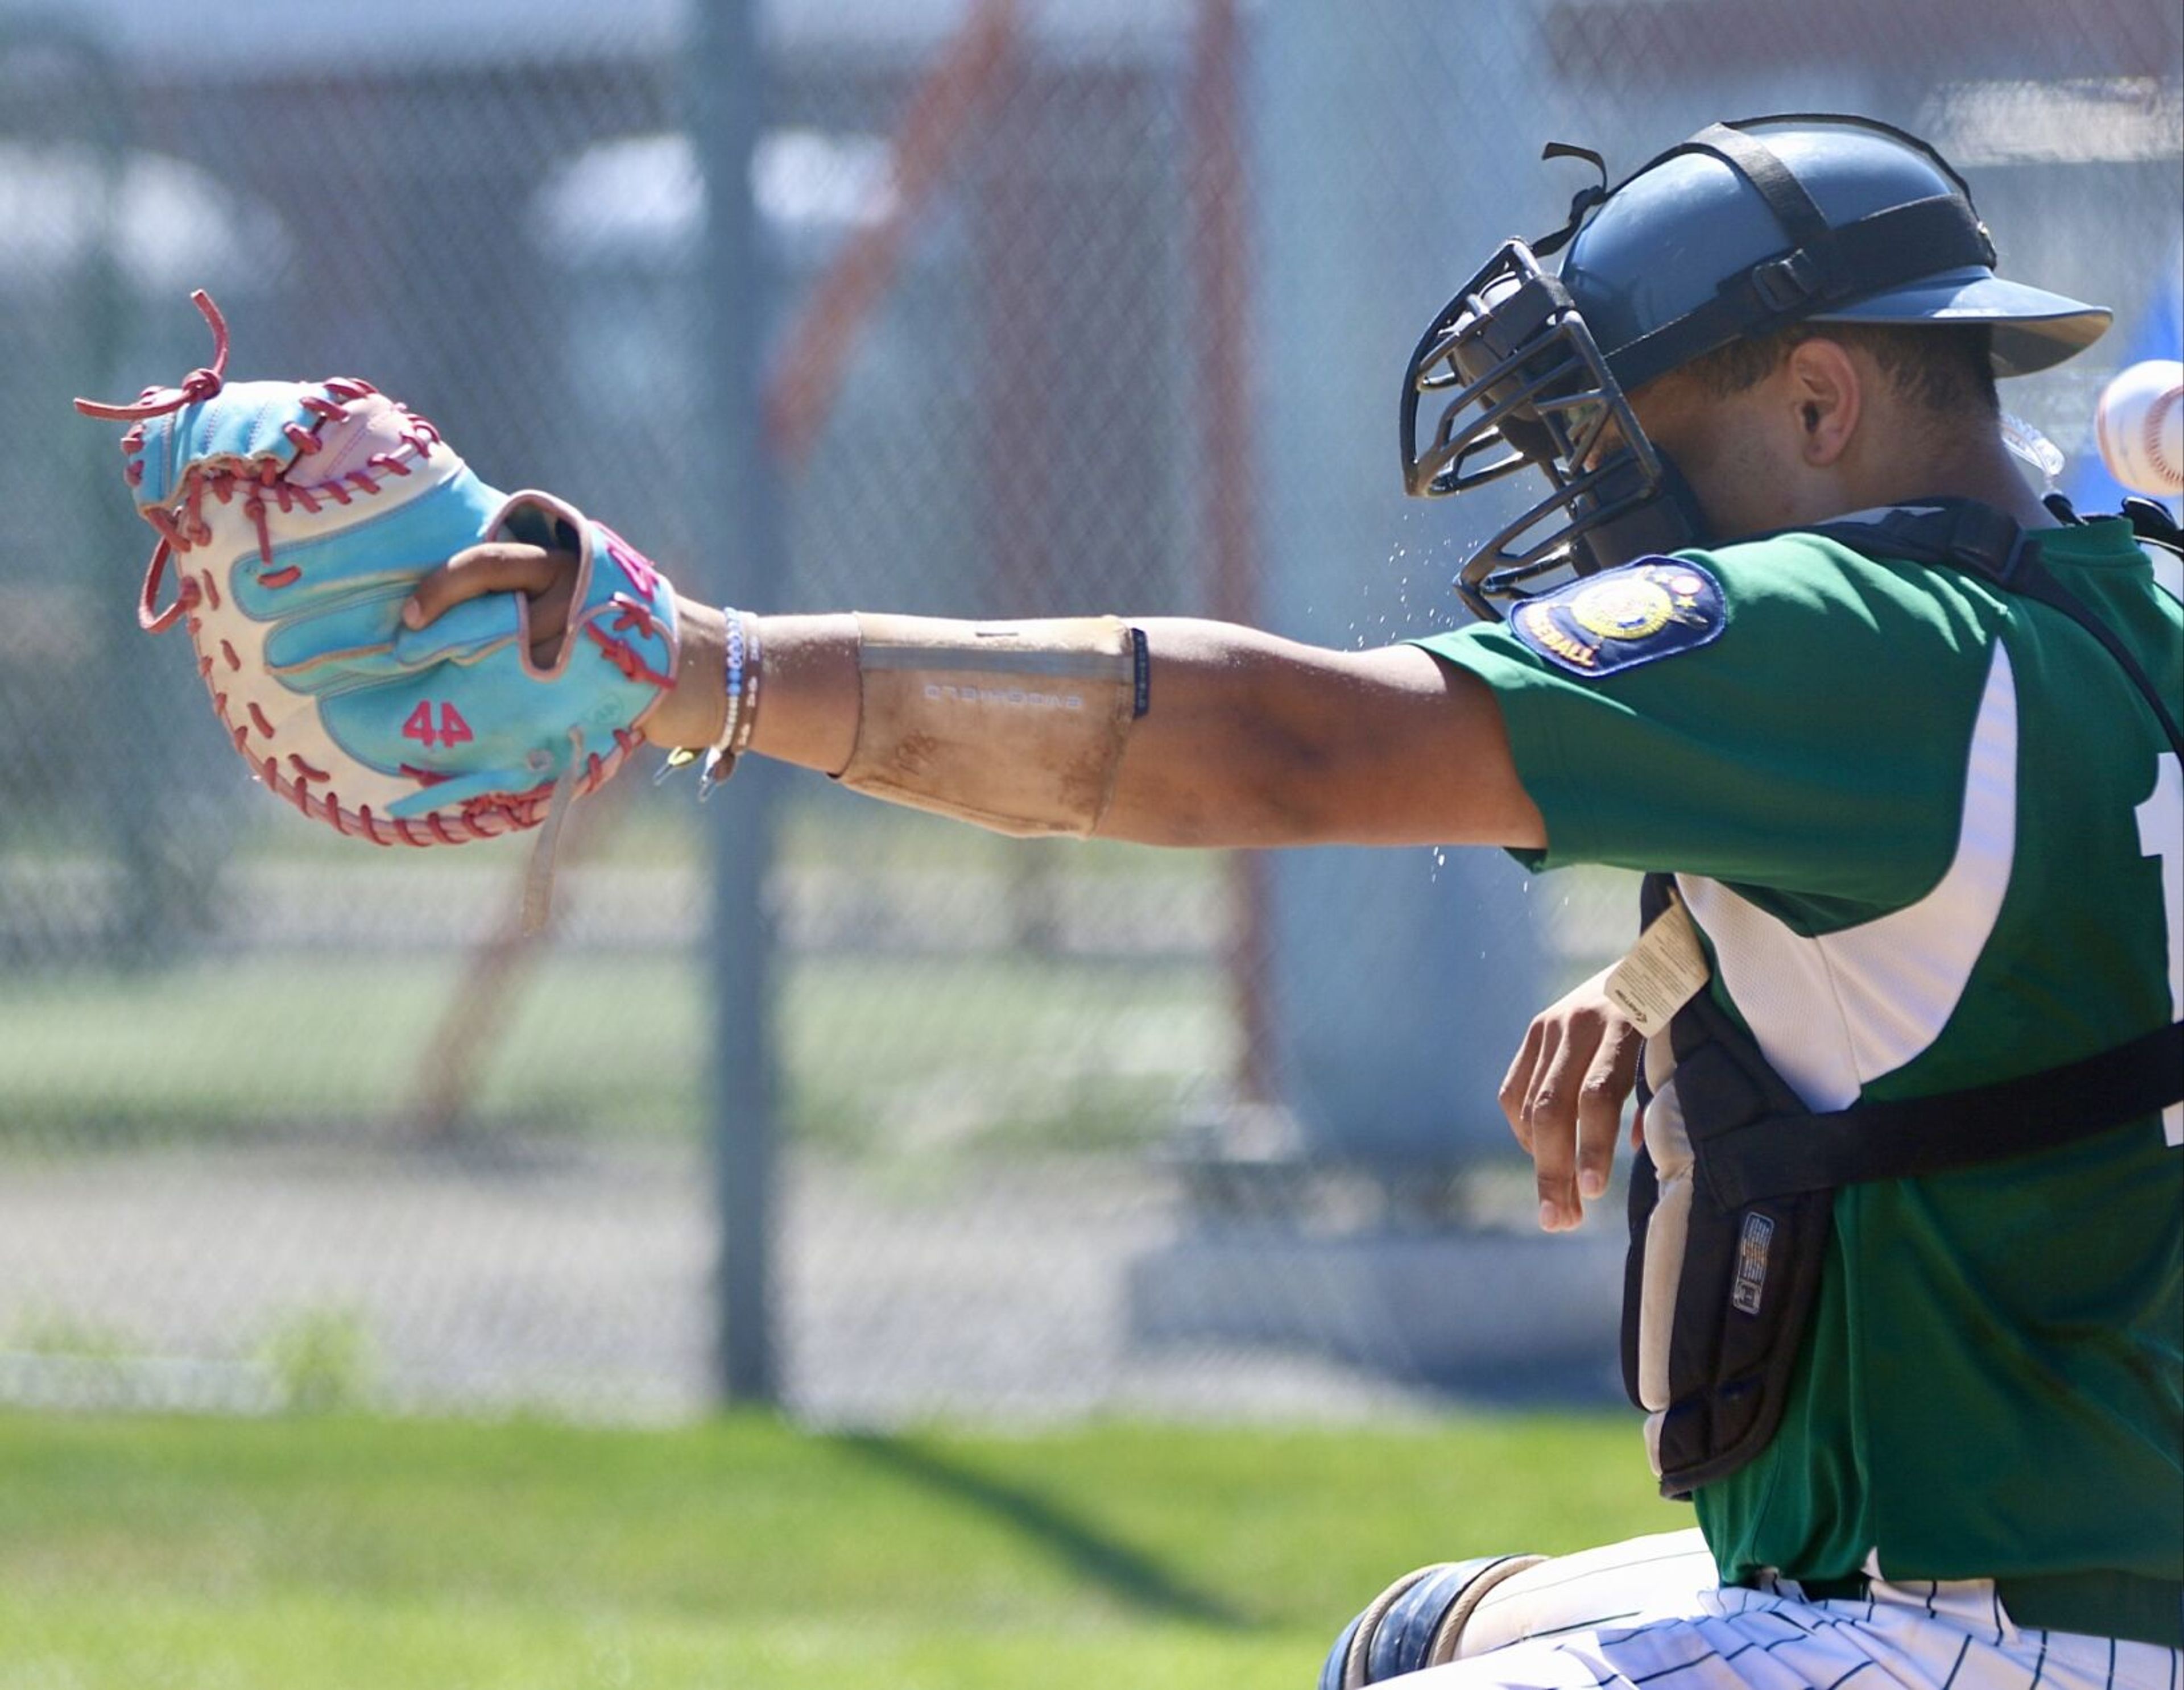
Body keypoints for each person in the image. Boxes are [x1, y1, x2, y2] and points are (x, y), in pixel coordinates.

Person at [405, 115, 2182, 1688]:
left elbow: (1282, 750)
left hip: (1967, 1620)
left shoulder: (1853, 636)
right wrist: (1678, 962)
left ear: (1818, 402)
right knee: (1412, 1637)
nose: (1600, 518)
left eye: (1628, 449)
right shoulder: (2133, 605)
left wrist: (708, 663)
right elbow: (2042, 912)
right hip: (2107, 1576)